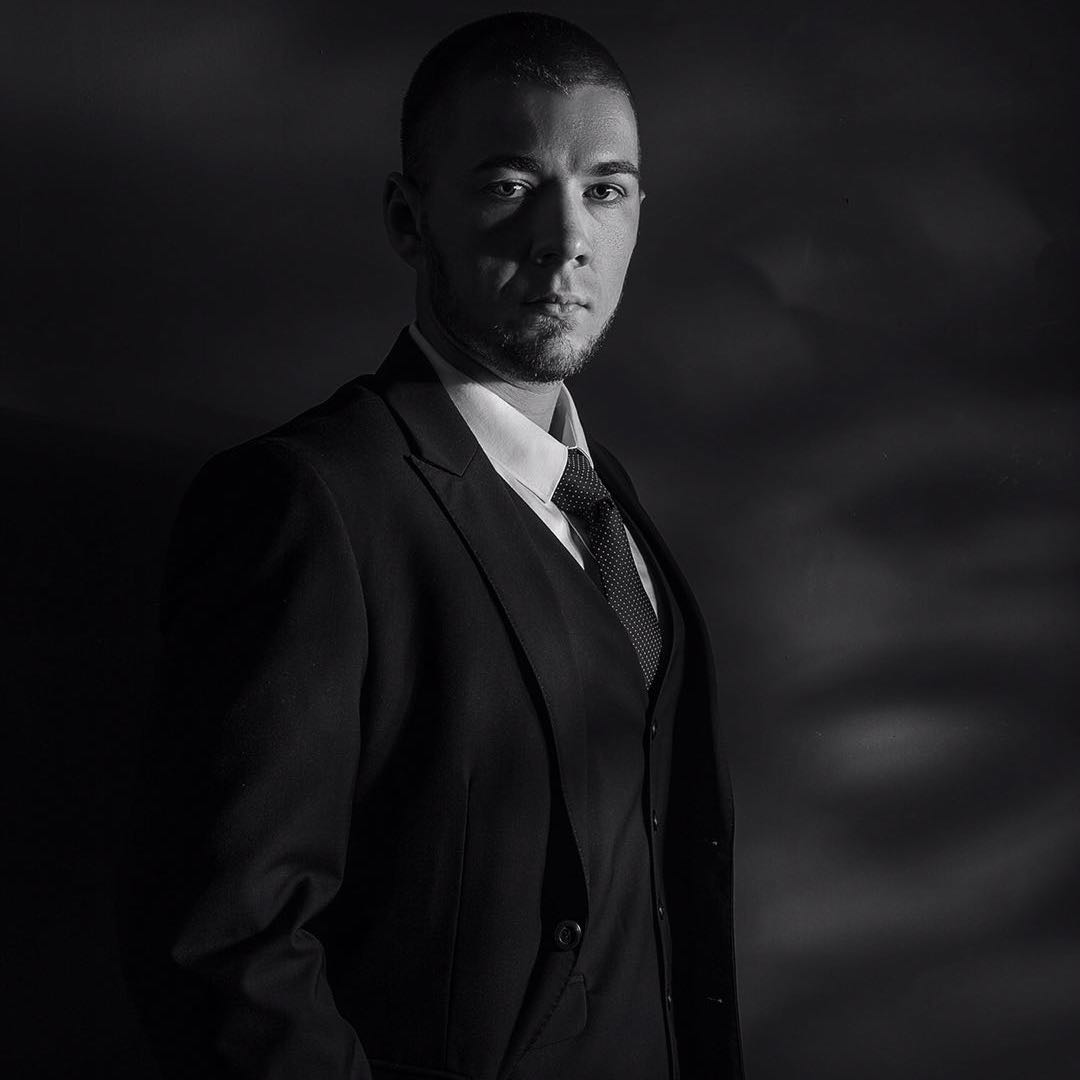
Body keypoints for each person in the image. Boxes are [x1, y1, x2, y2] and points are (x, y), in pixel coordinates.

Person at [120, 13, 743, 1080]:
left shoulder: (605, 498)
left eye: (605, 189)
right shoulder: (310, 501)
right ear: (409, 221)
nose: (565, 237)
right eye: (509, 185)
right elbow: (227, 944)